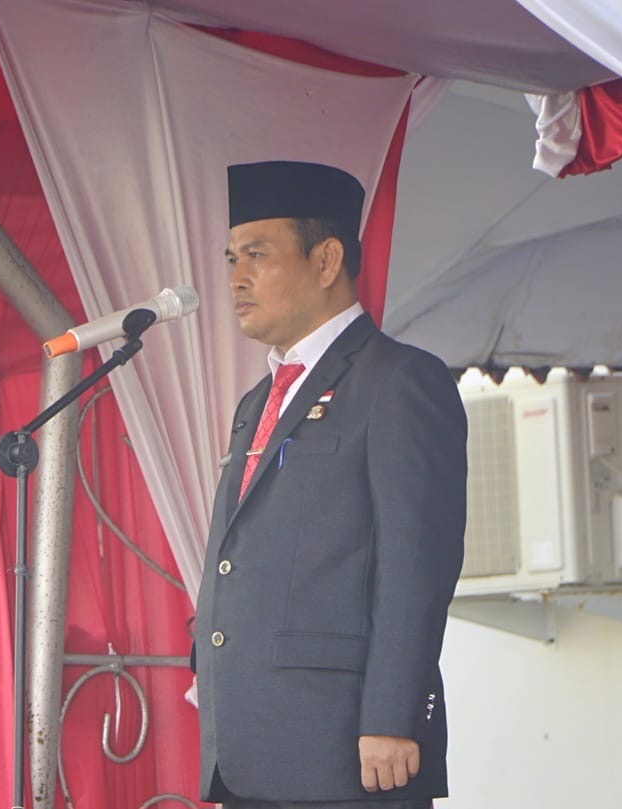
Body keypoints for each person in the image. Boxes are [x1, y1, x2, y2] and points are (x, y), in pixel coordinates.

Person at [193, 160, 468, 809]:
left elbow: (415, 565)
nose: (236, 278)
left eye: (257, 254)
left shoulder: (397, 380)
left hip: (348, 748)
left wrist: (392, 715)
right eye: (231, 258)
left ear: (325, 260)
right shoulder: (257, 401)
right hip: (249, 746)